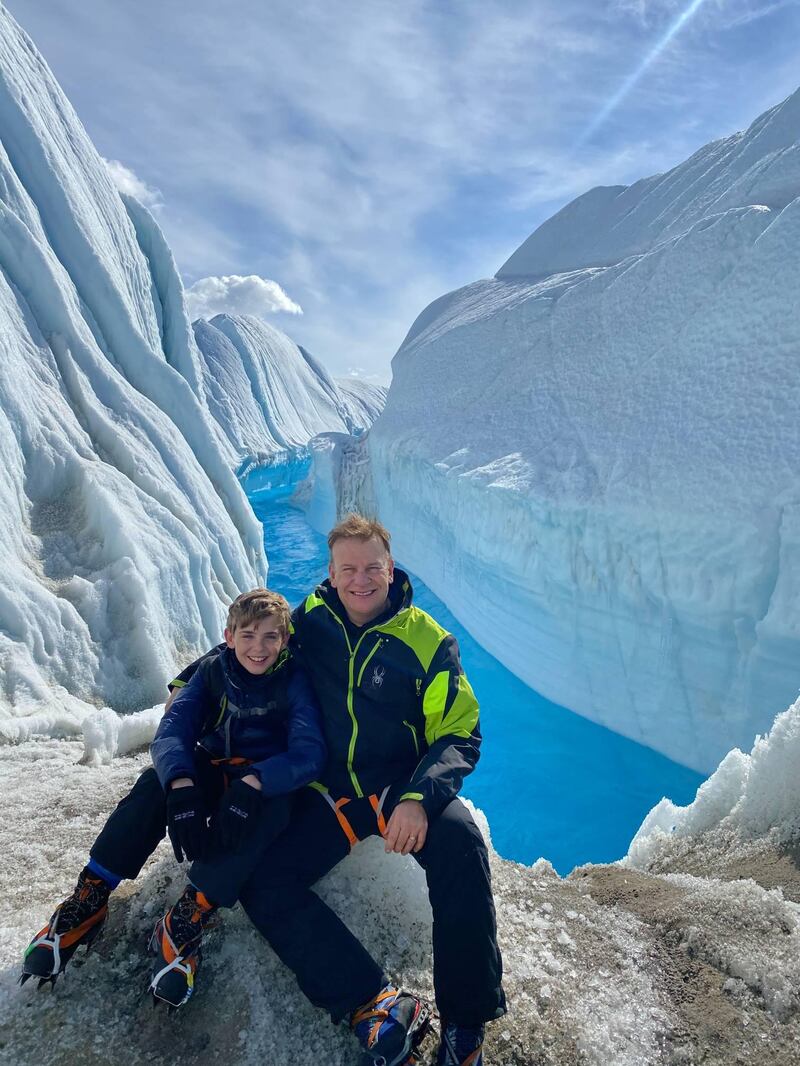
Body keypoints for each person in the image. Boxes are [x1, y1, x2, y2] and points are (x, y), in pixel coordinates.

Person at [234, 515, 505, 1066]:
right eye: (348, 569)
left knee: (462, 846)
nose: (361, 580)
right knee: (263, 882)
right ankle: (370, 1001)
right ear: (331, 575)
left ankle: (465, 1023)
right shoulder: (309, 622)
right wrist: (185, 686)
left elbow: (458, 731)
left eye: (372, 567)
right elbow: (249, 659)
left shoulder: (428, 642)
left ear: (390, 568)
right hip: (329, 793)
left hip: (395, 789)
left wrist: (417, 798)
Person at [20, 588, 326, 1009]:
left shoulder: (294, 681)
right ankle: (90, 894)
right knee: (153, 787)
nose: (259, 647)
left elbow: (309, 753)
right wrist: (181, 785)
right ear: (229, 635)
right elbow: (172, 731)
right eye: (249, 635)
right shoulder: (212, 672)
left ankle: (190, 912)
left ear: (285, 641)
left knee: (269, 812)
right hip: (213, 768)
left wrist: (257, 782)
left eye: (271, 637)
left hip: (258, 784)